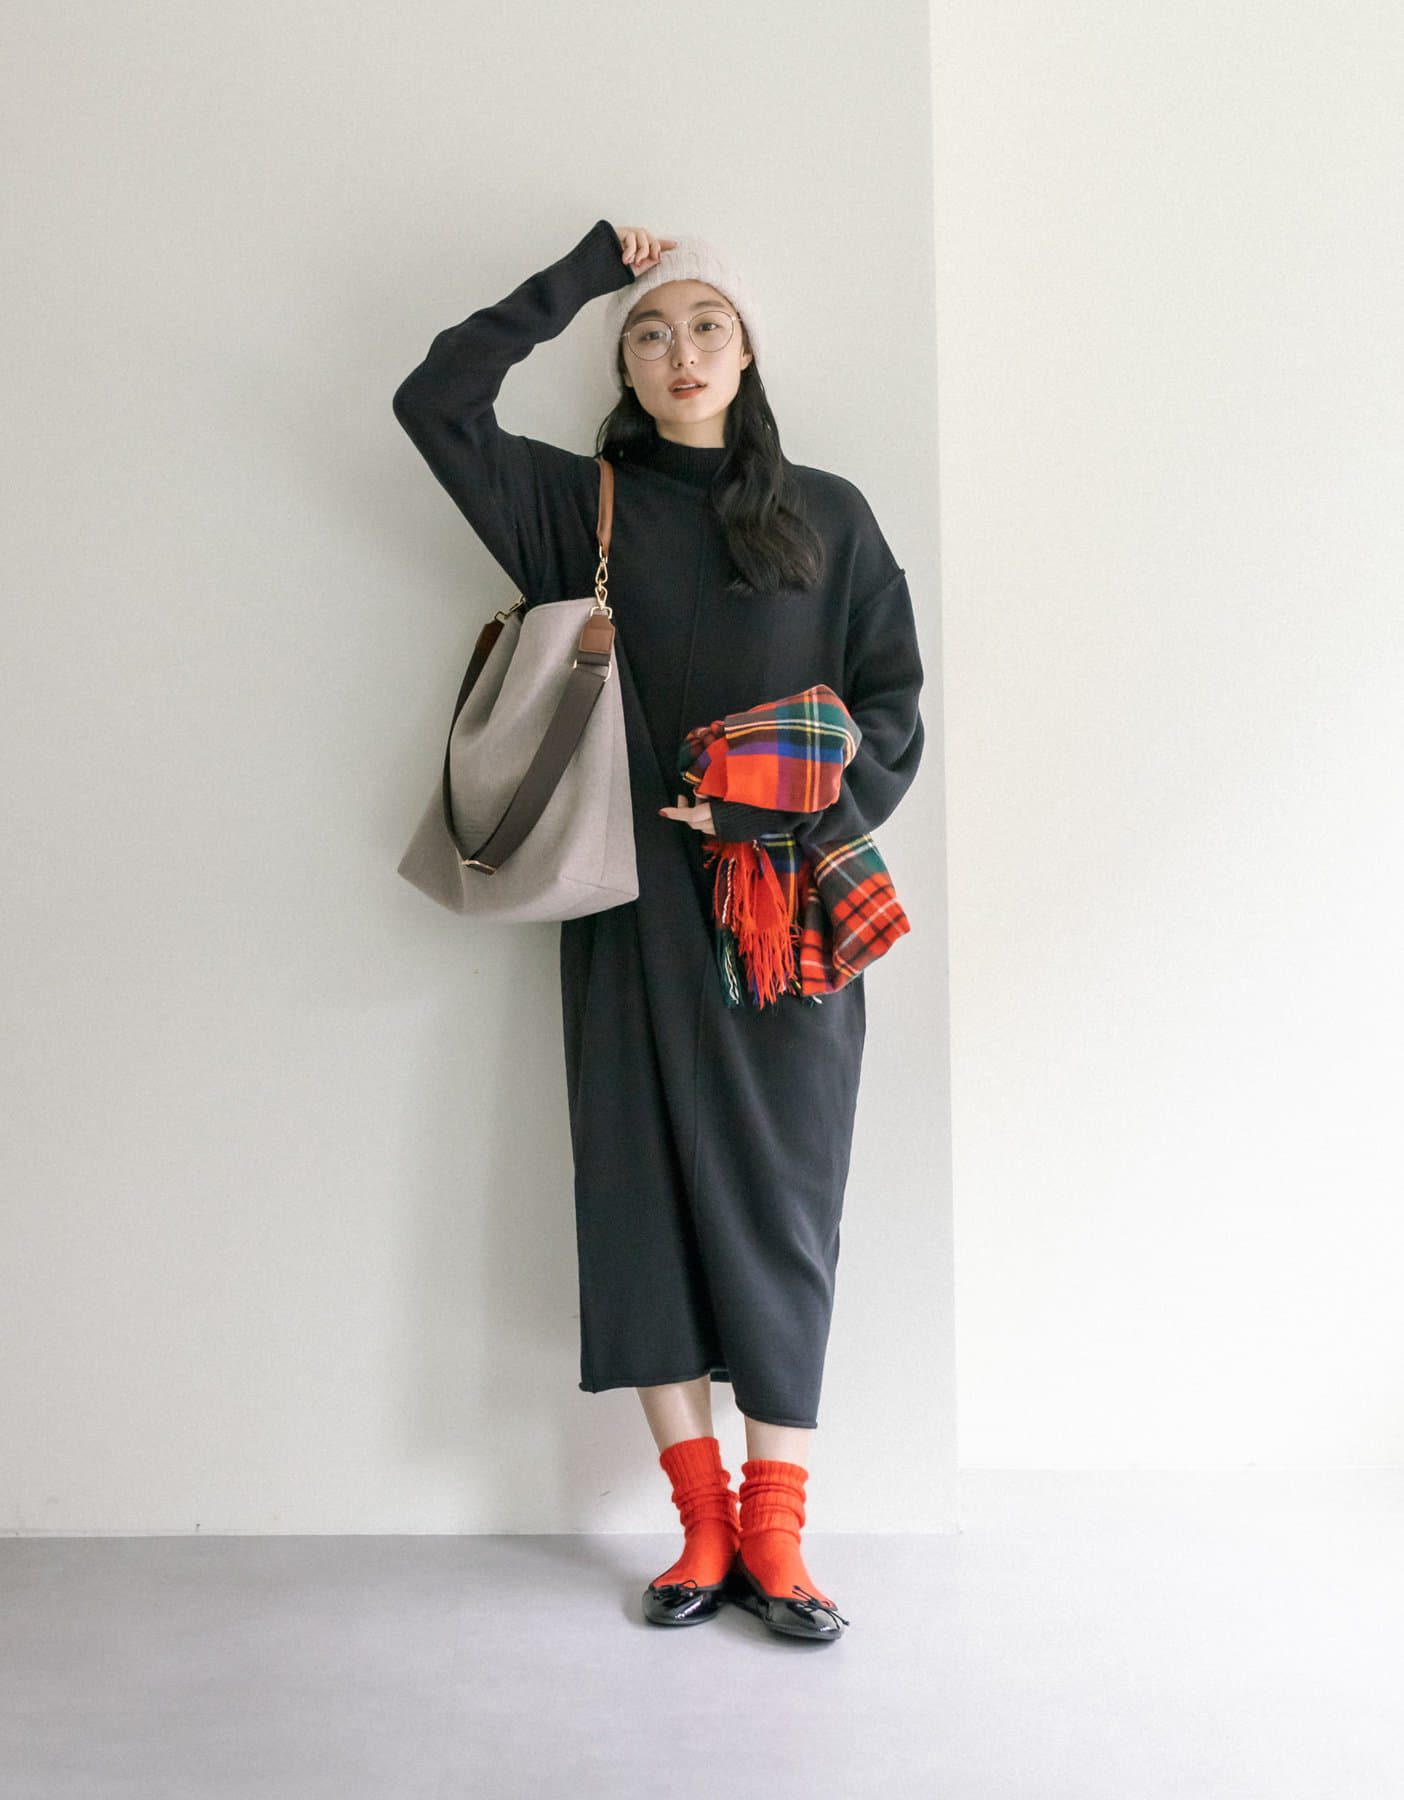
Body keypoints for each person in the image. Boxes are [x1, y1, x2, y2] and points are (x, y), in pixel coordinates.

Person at [393, 220, 924, 1643]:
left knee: (785, 1209)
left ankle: (779, 1532)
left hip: (783, 923)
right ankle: (700, 1528)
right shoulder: (581, 507)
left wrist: (769, 806)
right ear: (622, 365)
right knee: (640, 1206)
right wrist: (582, 276)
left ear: (746, 355)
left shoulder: (830, 516)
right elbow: (435, 402)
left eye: (705, 326)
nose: (678, 351)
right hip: (624, 912)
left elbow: (891, 711)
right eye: (648, 332)